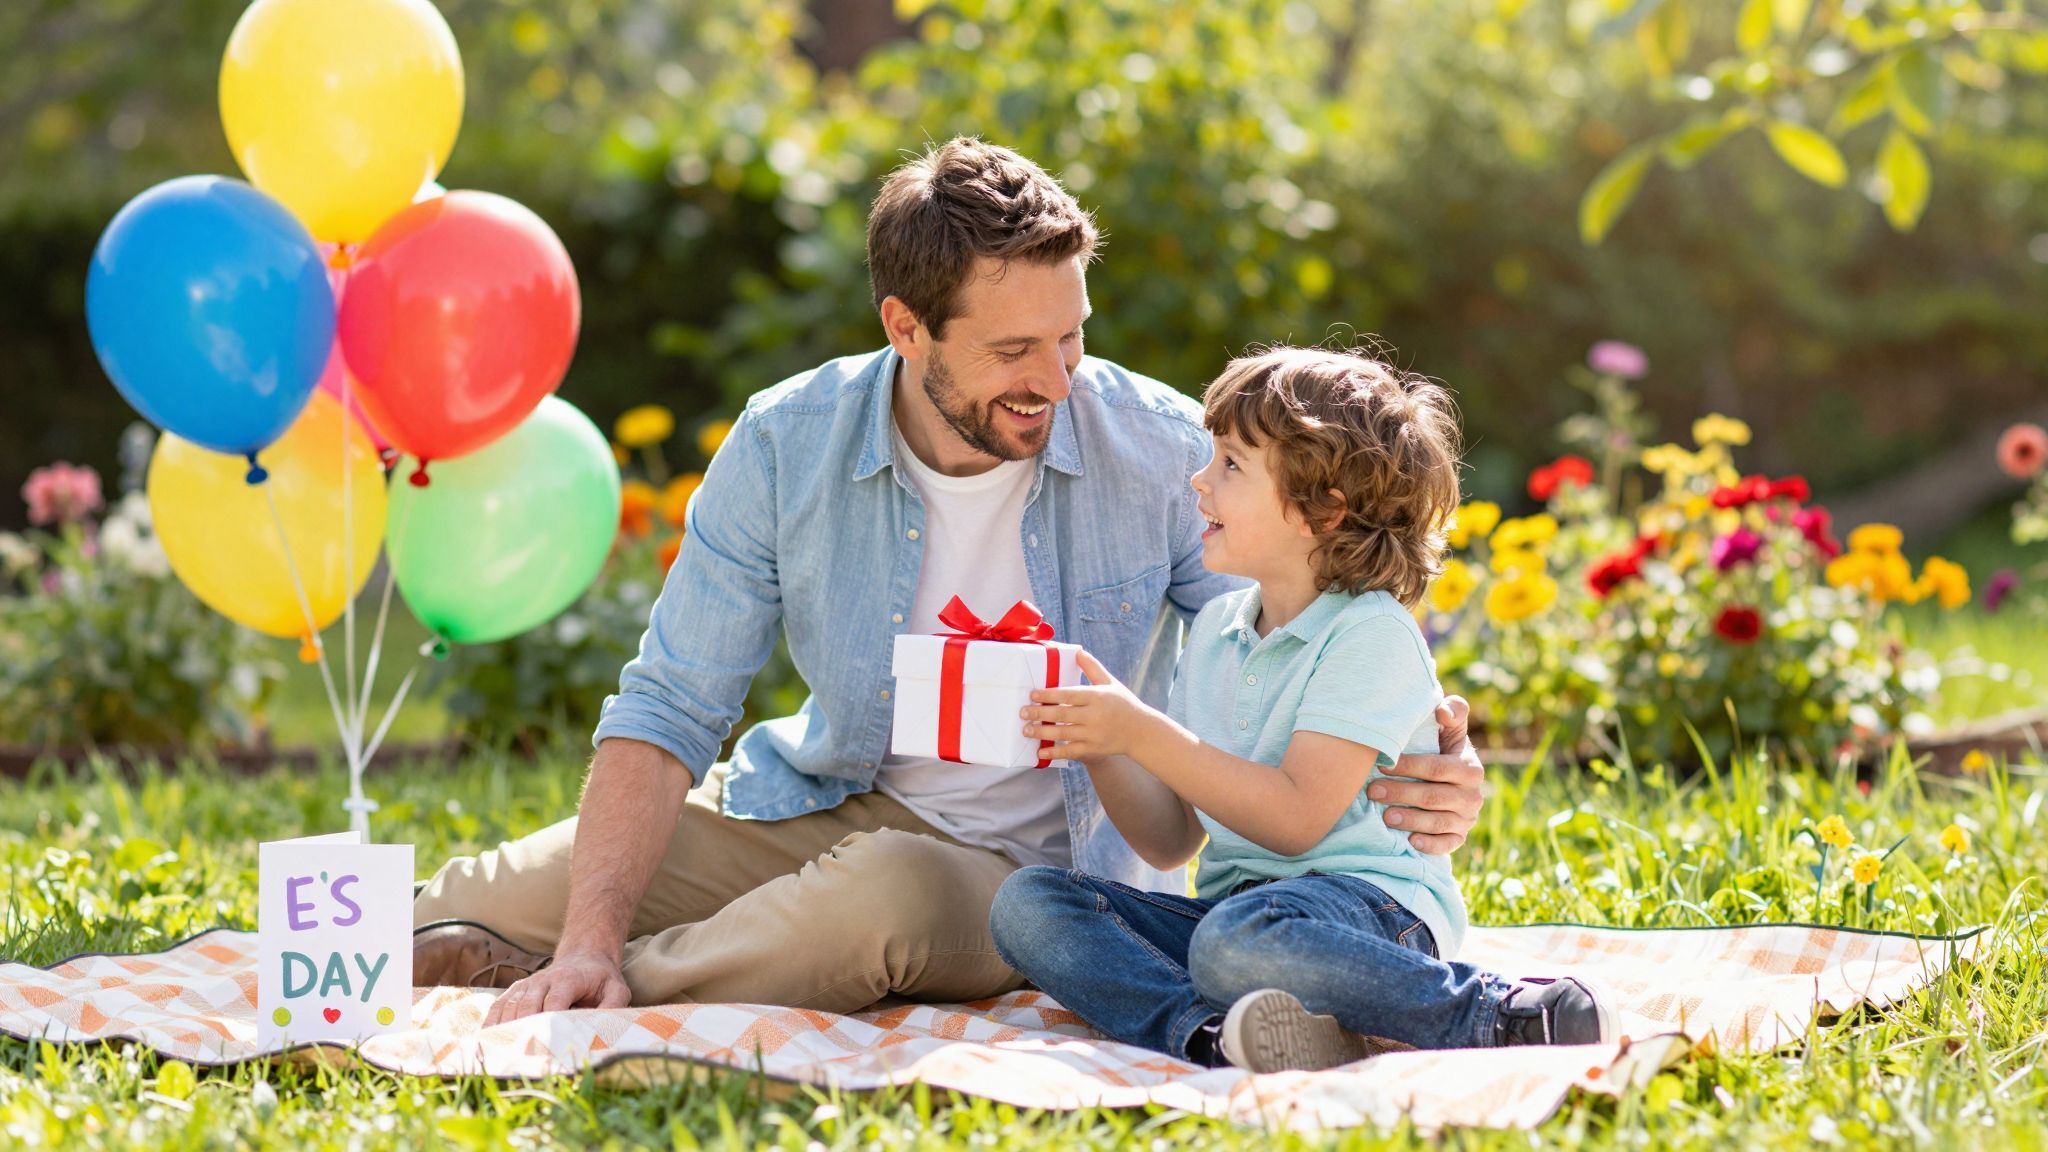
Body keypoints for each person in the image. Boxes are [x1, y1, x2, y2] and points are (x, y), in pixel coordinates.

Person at [410, 138, 1489, 1025]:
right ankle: (555, 957)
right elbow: (668, 707)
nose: (1056, 380)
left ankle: (585, 990)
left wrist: (1434, 748)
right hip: (819, 802)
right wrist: (589, 923)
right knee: (462, 909)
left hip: (1034, 875)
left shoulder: (1163, 449)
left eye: (1072, 337)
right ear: (906, 327)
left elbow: (1297, 640)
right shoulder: (788, 443)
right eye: (1015, 350)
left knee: (877, 898)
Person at [990, 347, 1612, 1072]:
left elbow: (1294, 820)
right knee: (1029, 903)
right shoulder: (1217, 630)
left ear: (1322, 510)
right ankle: (1212, 1036)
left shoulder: (1370, 633)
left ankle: (1493, 1010)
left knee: (1236, 941)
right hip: (1240, 920)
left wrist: (1144, 731)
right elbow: (1169, 842)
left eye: (1231, 464)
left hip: (1370, 914)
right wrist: (1105, 743)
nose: (1199, 480)